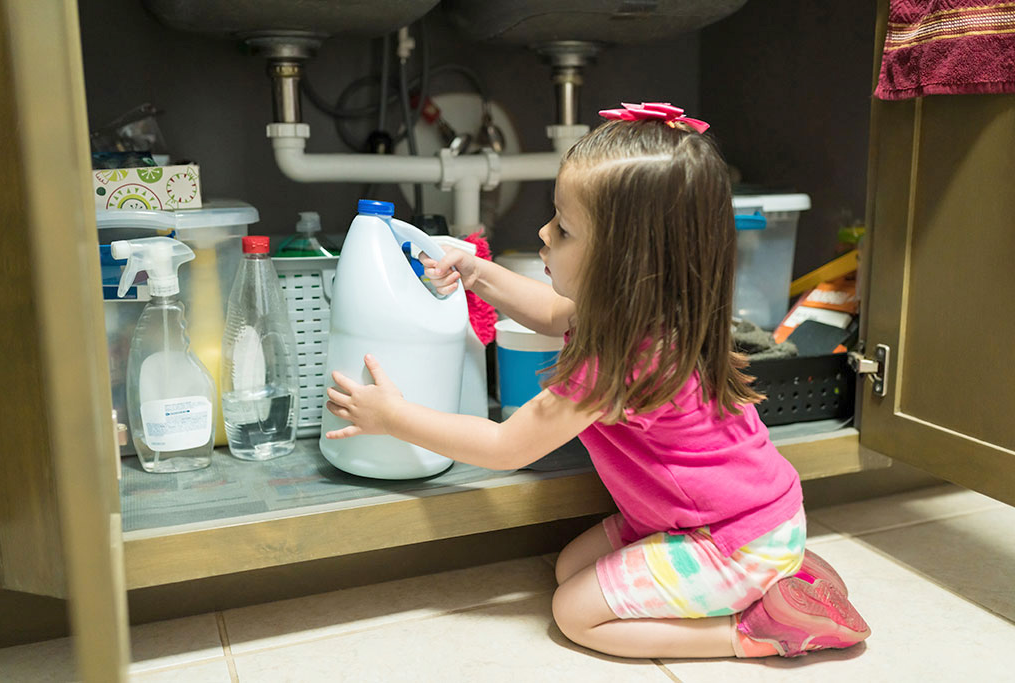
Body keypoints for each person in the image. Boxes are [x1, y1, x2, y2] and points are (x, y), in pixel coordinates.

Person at [324, 102, 871, 660]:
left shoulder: (617, 361)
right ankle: (782, 574)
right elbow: (551, 312)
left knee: (576, 614)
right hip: (743, 517)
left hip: (727, 538)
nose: (542, 232)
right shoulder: (650, 314)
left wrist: (391, 416)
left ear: (624, 263)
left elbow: (505, 446)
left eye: (562, 228)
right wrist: (477, 272)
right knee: (568, 568)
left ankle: (758, 629)